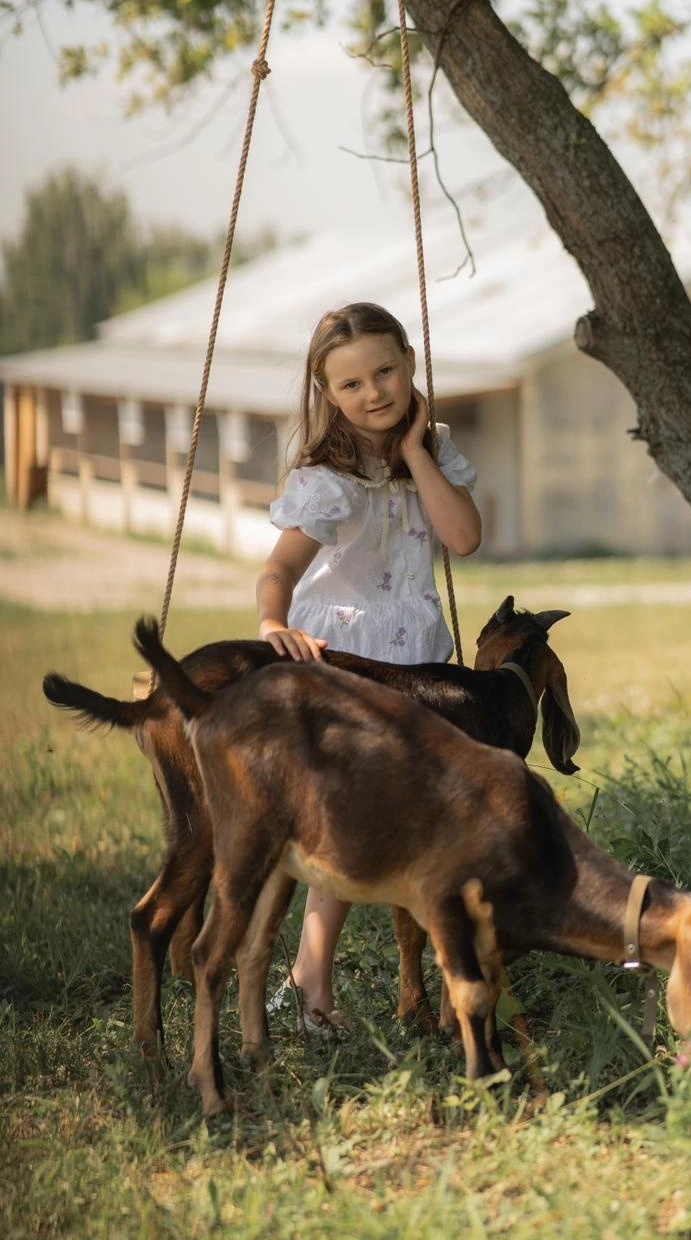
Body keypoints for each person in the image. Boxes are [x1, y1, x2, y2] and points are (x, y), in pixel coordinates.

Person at [257, 301, 481, 1031]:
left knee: (406, 820)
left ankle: (410, 982)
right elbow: (278, 571)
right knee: (347, 826)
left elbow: (464, 537)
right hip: (345, 664)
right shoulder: (328, 478)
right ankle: (310, 995)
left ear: (411, 363)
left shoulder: (435, 452)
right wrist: (271, 624)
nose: (374, 392)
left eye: (384, 371)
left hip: (414, 663)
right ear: (328, 396)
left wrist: (417, 452)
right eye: (350, 384)